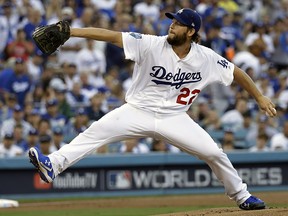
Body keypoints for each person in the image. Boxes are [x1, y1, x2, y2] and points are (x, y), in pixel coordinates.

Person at [28, 8, 277, 210]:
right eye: (172, 21)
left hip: (175, 117)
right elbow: (112, 35)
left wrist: (260, 96)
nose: (172, 25)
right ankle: (53, 165)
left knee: (213, 153)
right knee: (94, 133)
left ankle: (242, 196)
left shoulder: (206, 57)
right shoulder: (150, 44)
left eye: (178, 23)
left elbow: (237, 73)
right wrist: (72, 32)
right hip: (137, 110)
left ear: (191, 31)